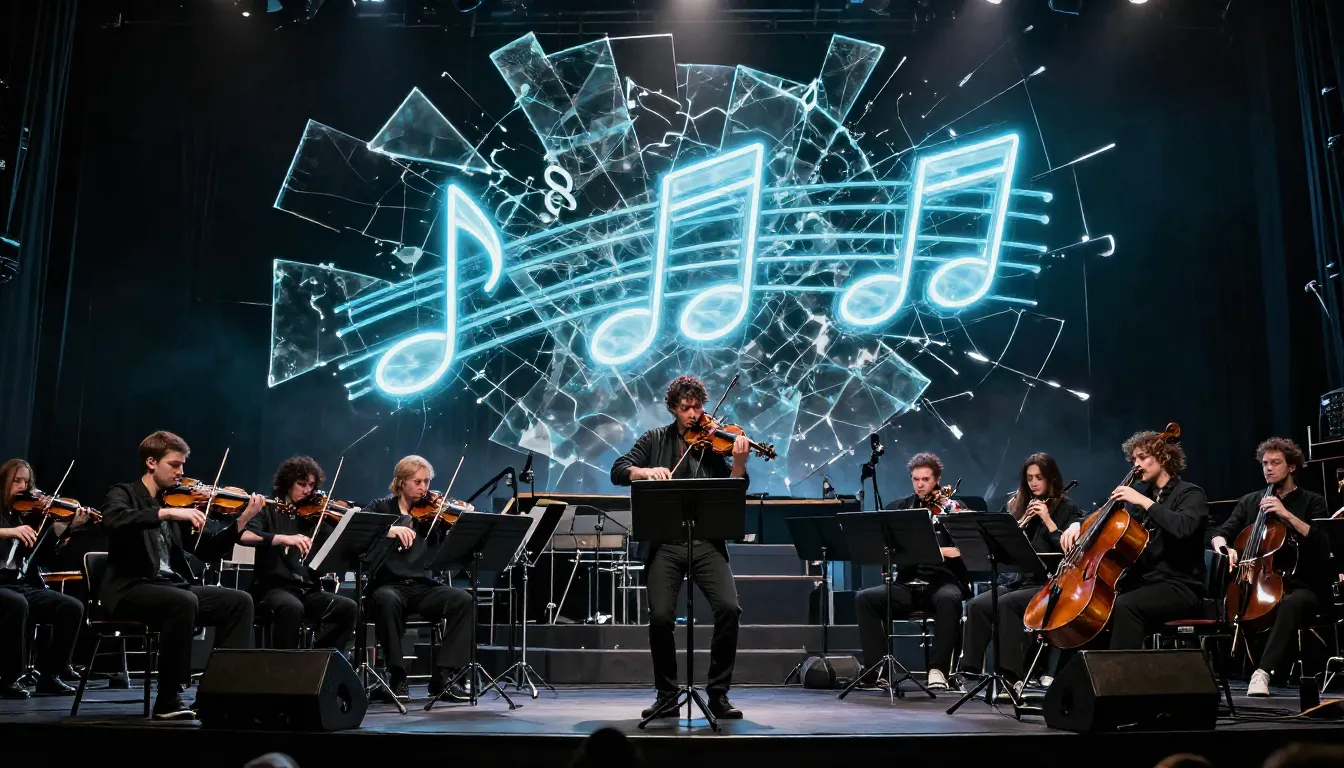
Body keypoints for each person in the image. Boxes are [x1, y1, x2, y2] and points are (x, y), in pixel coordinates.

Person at [611, 374, 750, 720]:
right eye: (686, 408)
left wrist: (739, 463)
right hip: (665, 544)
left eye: (698, 407)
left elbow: (733, 490)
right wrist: (645, 473)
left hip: (706, 542)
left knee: (729, 608)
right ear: (673, 408)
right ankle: (667, 696)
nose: (694, 414)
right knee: (660, 617)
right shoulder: (655, 438)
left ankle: (718, 695)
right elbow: (618, 470)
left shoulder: (713, 443)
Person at [100, 431, 263, 719]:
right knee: (183, 602)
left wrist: (242, 521)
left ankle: (220, 693)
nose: (181, 472)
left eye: (182, 465)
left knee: (239, 602)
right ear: (151, 462)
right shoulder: (124, 493)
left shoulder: (177, 502)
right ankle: (168, 698)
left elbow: (207, 550)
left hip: (170, 587)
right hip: (130, 589)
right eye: (174, 464)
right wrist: (166, 514)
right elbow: (113, 520)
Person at [1060, 430, 1208, 649]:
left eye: (1142, 457)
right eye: (1133, 459)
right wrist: (1078, 524)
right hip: (1145, 584)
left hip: (1180, 587)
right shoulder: (1145, 497)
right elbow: (1107, 517)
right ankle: (1090, 669)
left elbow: (1183, 528)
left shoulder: (1190, 493)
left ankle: (1122, 670)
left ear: (1163, 458)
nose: (1135, 465)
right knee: (1093, 608)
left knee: (1126, 605)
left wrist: (1143, 502)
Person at [1208, 437, 1329, 697]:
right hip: (1257, 580)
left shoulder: (1312, 501)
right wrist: (1224, 547)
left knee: (1290, 604)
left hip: (1301, 584)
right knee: (1225, 602)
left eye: (1276, 463)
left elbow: (1322, 542)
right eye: (1265, 464)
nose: (1269, 469)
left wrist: (1286, 514)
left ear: (1292, 467)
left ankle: (1262, 672)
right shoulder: (1251, 501)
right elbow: (1220, 532)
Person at [957, 453, 1081, 689]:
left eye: (1039, 478)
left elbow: (1070, 552)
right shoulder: (1017, 505)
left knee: (1007, 604)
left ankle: (1012, 676)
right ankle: (970, 673)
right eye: (1029, 478)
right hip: (1020, 581)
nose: (1033, 483)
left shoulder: (1068, 508)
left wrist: (1048, 520)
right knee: (977, 605)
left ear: (1051, 478)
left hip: (1051, 584)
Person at [853, 452, 968, 691]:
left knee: (949, 598)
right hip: (908, 584)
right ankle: (879, 671)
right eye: (916, 479)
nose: (920, 485)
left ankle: (938, 670)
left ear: (937, 479)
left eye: (926, 479)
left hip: (942, 582)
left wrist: (950, 548)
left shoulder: (952, 507)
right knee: (865, 598)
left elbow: (970, 546)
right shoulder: (901, 509)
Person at [363, 455, 474, 703]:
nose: (424, 488)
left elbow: (453, 551)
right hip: (388, 584)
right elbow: (360, 528)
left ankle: (443, 677)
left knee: (463, 600)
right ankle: (396, 676)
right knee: (386, 599)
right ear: (401, 482)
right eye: (417, 482)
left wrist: (465, 520)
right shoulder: (381, 507)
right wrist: (389, 530)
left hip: (422, 586)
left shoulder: (434, 514)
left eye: (426, 481)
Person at [239, 456, 357, 652]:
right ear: (287, 483)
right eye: (301, 484)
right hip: (273, 589)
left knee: (347, 608)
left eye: (311, 485)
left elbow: (338, 544)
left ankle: (321, 659)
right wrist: (282, 538)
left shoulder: (314, 515)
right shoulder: (268, 507)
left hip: (308, 590)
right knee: (292, 607)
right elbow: (245, 535)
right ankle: (286, 665)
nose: (307, 490)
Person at [0, 459, 87, 699]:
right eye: (16, 481)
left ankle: (50, 675)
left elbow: (39, 557)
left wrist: (62, 529)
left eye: (26, 482)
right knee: (17, 604)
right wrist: (8, 532)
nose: (23, 487)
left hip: (15, 583)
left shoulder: (23, 515)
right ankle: (9, 679)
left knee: (71, 607)